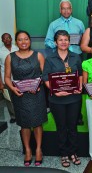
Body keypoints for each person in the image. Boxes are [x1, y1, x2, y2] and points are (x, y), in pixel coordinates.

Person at [4, 30, 47, 166]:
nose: (24, 42)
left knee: (37, 122)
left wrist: (39, 85)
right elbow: (6, 77)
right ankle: (28, 150)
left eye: (26, 39)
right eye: (20, 39)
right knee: (24, 124)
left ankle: (39, 150)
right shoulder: (10, 57)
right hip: (20, 95)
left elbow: (45, 75)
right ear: (16, 42)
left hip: (36, 94)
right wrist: (13, 89)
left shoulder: (38, 55)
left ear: (30, 40)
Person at [42, 30, 83, 168]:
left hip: (74, 99)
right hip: (57, 100)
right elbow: (46, 78)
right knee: (61, 127)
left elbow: (81, 75)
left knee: (72, 127)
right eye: (60, 40)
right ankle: (64, 154)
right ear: (55, 42)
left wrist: (80, 86)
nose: (64, 42)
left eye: (66, 39)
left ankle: (73, 152)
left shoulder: (76, 57)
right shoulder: (49, 59)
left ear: (69, 41)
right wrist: (54, 90)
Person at [44, 0, 85, 125]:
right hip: (59, 60)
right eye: (63, 8)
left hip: (75, 58)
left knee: (75, 87)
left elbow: (84, 40)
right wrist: (60, 44)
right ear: (60, 10)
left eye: (68, 8)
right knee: (62, 84)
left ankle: (77, 115)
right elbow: (47, 41)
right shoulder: (53, 24)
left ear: (71, 9)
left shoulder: (79, 23)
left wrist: (76, 43)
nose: (66, 10)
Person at [0, 33, 18, 123]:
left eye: (8, 37)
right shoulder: (0, 51)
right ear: (2, 40)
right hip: (5, 80)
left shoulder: (17, 48)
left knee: (19, 97)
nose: (7, 39)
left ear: (11, 39)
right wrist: (0, 83)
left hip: (18, 79)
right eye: (4, 38)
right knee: (8, 99)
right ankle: (13, 116)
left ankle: (20, 114)